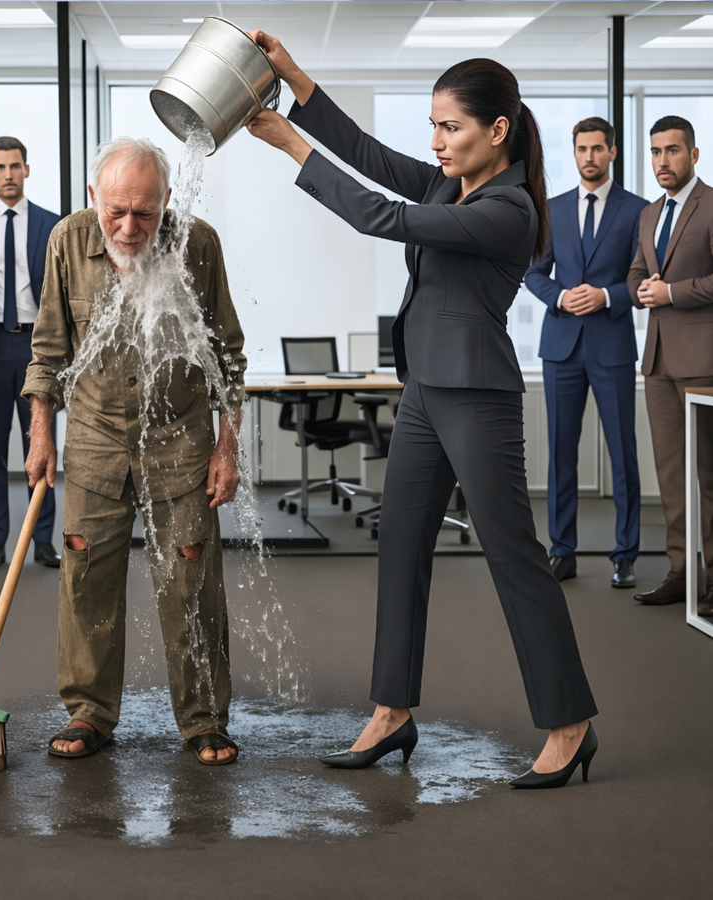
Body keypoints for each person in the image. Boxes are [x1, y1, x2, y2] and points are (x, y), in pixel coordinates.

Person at [247, 34, 598, 788]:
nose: (436, 142)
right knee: (400, 546)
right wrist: (297, 82)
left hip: (477, 396)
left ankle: (571, 725)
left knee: (513, 558)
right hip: (424, 395)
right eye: (434, 125)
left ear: (495, 131)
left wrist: (290, 147)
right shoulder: (449, 185)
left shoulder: (506, 209)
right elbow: (371, 157)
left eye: (451, 128)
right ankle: (391, 712)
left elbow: (381, 217)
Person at [22, 138, 247, 764]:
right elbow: (48, 349)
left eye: (144, 214)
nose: (128, 226)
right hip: (95, 440)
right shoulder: (68, 241)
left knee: (192, 583)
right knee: (86, 580)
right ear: (94, 196)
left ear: (167, 202)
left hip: (180, 442)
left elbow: (227, 356)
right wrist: (41, 432)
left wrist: (227, 448)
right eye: (115, 210)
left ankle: (204, 718)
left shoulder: (196, 243)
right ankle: (89, 713)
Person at [525, 117, 648, 589]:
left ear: (612, 152)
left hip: (612, 344)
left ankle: (625, 555)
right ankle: (562, 551)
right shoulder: (551, 209)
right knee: (561, 453)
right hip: (561, 347)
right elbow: (533, 273)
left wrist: (608, 296)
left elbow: (640, 281)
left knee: (623, 454)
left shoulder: (638, 210)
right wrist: (559, 296)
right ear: (574, 153)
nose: (589, 157)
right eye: (582, 149)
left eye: (598, 148)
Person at [0, 136, 61, 570]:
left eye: (15, 166)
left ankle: (42, 540)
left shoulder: (52, 224)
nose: (8, 174)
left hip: (37, 347)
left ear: (26, 169)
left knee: (42, 444)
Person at [628, 117, 713, 616]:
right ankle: (682, 573)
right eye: (656, 152)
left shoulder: (711, 205)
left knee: (709, 474)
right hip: (657, 360)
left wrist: (671, 293)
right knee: (671, 475)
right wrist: (642, 288)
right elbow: (639, 270)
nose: (663, 161)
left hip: (703, 361)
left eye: (672, 151)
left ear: (694, 155)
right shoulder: (649, 213)